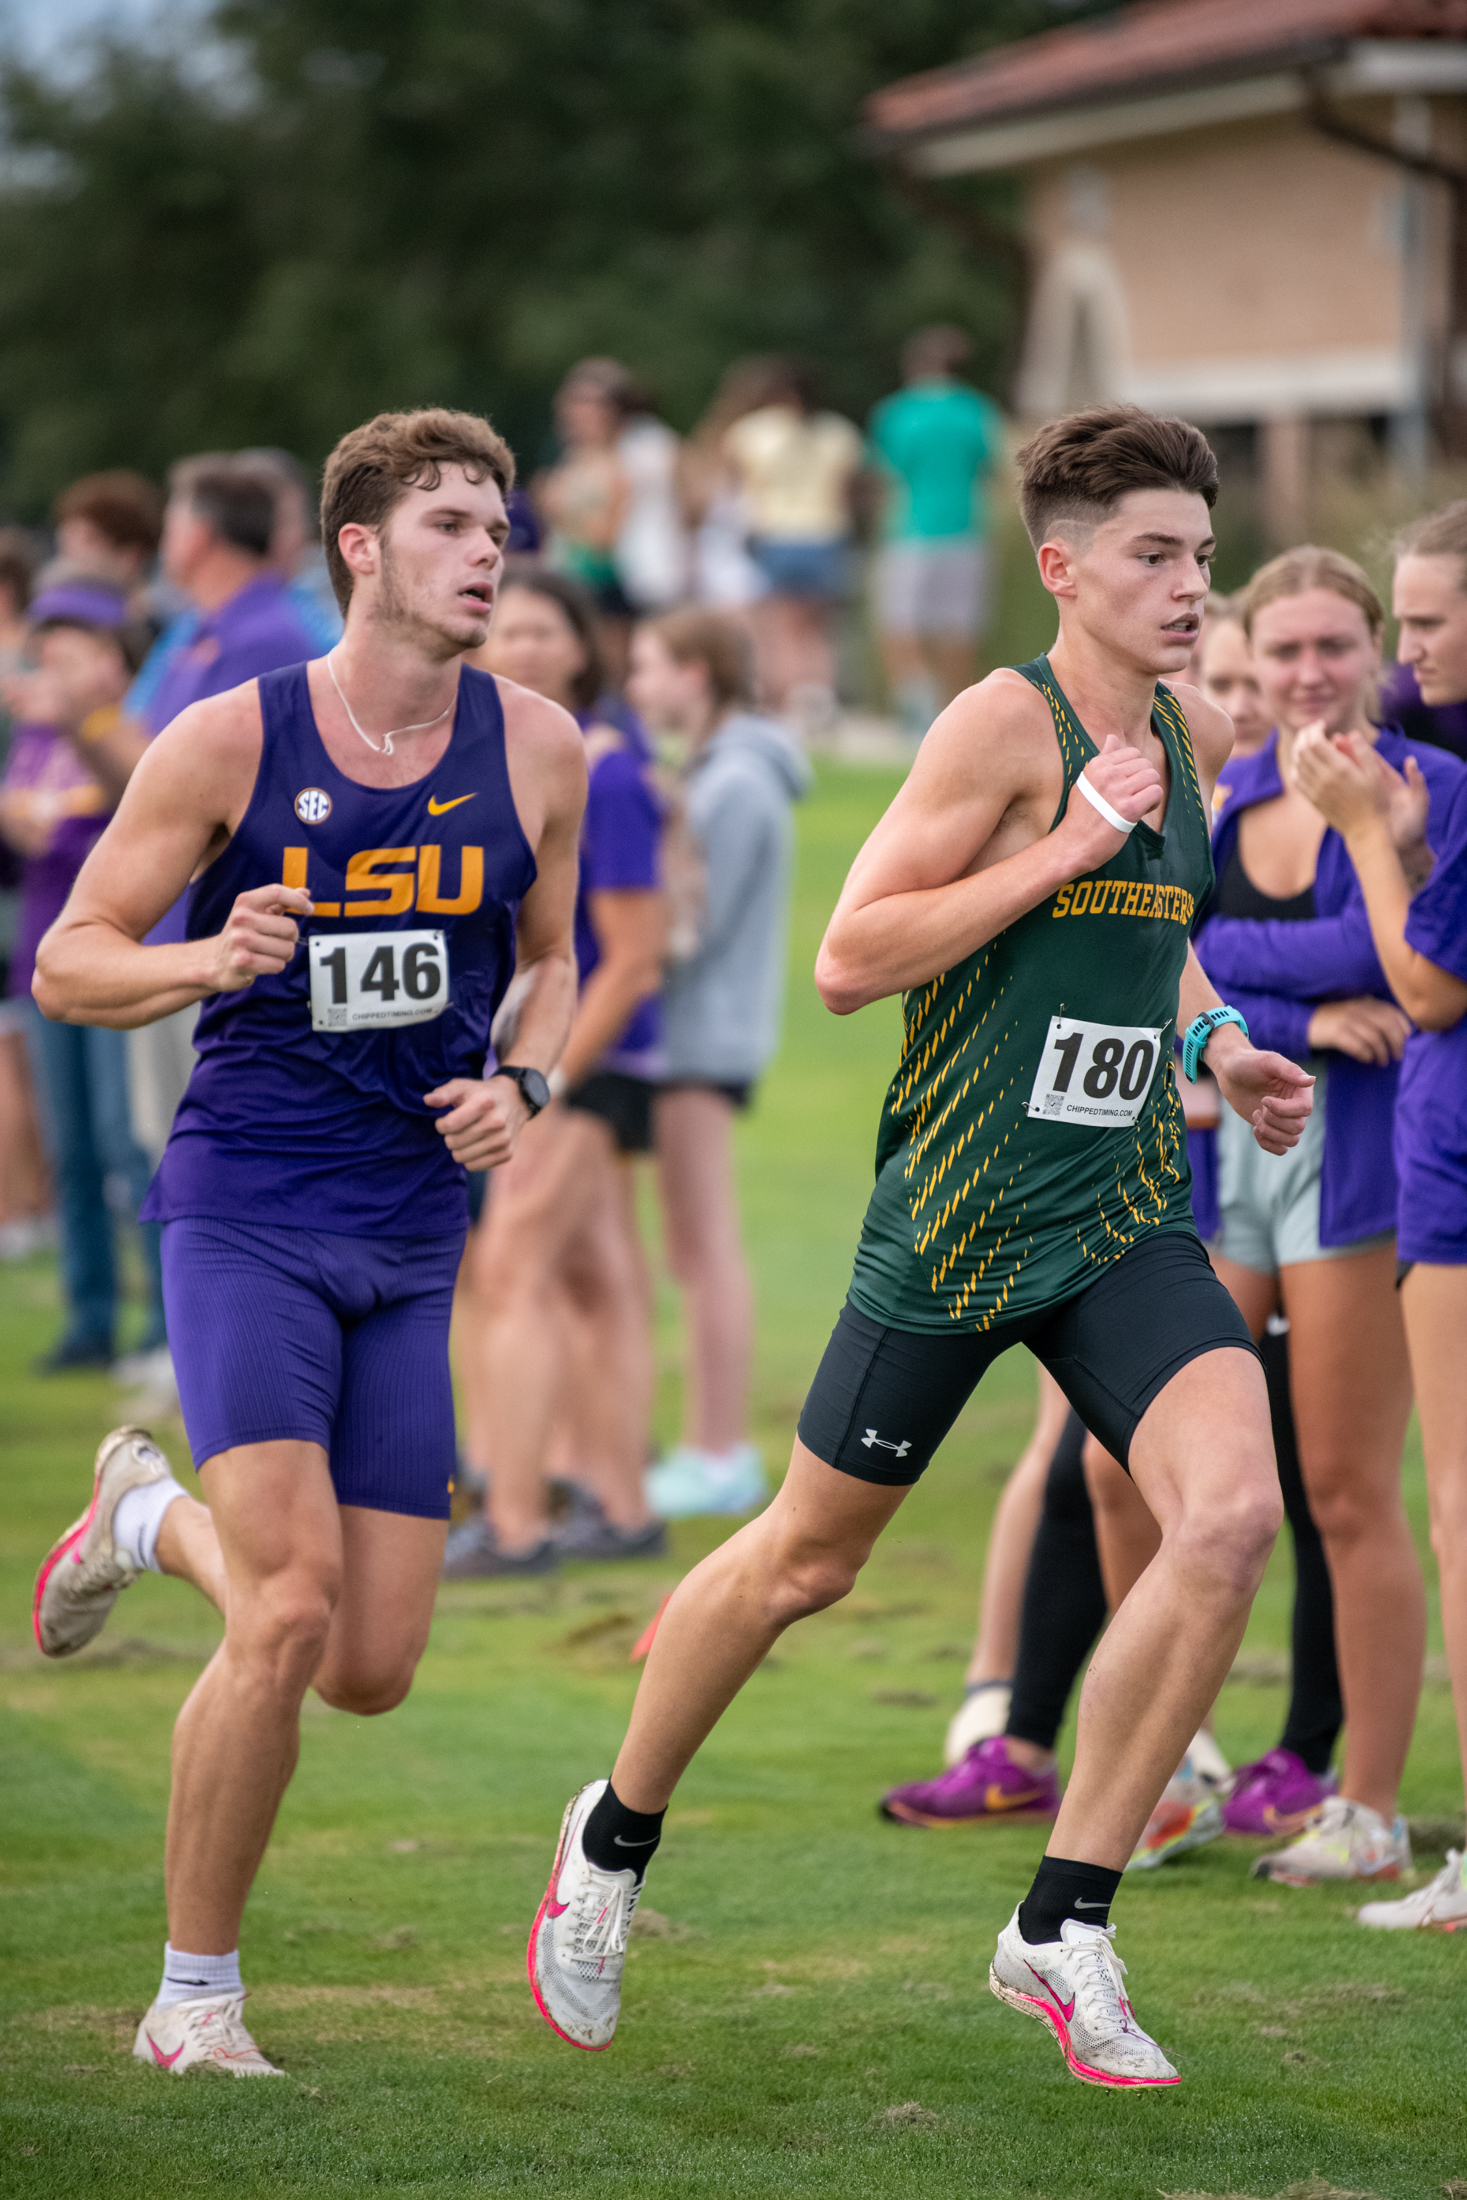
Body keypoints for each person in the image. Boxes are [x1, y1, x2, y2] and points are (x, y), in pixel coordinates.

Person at [528, 403, 1313, 2089]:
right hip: (956, 1226)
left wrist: (1214, 1046)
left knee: (1232, 1510)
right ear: (1060, 569)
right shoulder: (998, 728)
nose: (1191, 587)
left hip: (1113, 1216)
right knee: (806, 1564)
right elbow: (851, 952)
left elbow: (1149, 950)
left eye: (1199, 554)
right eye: (1154, 557)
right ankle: (609, 1836)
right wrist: (1061, 849)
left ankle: (1063, 1921)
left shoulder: (1177, 732)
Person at [29, 406, 585, 2078]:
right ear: (361, 546)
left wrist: (527, 1080)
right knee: (281, 1617)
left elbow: (551, 959)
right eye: (450, 526)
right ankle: (194, 1999)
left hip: (413, 1230)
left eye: (499, 525)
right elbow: (70, 959)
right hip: (249, 1208)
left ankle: (143, 1513)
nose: (487, 552)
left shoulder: (542, 745)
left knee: (368, 1665)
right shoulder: (228, 739)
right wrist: (209, 962)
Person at [1193, 545, 1465, 1886]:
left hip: (1354, 1171)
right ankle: (1177, 1759)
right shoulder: (1227, 789)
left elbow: (1395, 959)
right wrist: (1298, 1013)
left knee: (1346, 1489)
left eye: (1331, 648)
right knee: (1130, 1466)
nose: (1303, 675)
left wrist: (1252, 973)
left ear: (1376, 656)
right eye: (1278, 651)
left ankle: (1363, 1807)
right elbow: (1165, 947)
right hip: (1225, 1157)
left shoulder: (1419, 790)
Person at [1291, 500, 1467, 1929]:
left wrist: (1363, 835)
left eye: (1420, 626)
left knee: (1454, 1510)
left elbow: (1420, 989)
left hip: (1445, 1170)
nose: (1401, 659)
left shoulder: (1442, 775)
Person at [444, 566, 666, 1575]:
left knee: (510, 1268)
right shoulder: (512, 759)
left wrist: (549, 1079)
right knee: (592, 1276)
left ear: (583, 647)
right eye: (509, 629)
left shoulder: (605, 770)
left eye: (546, 629)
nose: (525, 645)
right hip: (542, 1055)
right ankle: (621, 1506)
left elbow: (633, 954)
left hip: (590, 1058)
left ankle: (518, 1518)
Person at [60, 457, 323, 1213]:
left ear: (200, 533)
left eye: (173, 519)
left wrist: (92, 715)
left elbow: (185, 792)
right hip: (172, 924)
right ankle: (179, 1328)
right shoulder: (191, 631)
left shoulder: (265, 633)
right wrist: (87, 718)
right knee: (161, 1142)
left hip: (225, 932)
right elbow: (144, 773)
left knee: (209, 1154)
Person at [622, 606, 812, 1519]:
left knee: (703, 1248)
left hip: (702, 1040)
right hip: (697, 1037)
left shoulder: (734, 783)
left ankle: (718, 1450)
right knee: (694, 1245)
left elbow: (689, 928)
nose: (634, 688)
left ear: (696, 676)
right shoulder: (716, 771)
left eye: (649, 668)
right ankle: (710, 1446)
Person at [1, 579, 161, 1367]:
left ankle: (159, 1322)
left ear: (113, 659)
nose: (53, 662)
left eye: (73, 648)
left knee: (126, 1139)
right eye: (49, 647)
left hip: (118, 956)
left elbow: (129, 792)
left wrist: (81, 721)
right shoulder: (35, 733)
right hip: (44, 956)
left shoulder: (123, 728)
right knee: (73, 1150)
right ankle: (89, 1317)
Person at [868, 326, 1005, 737]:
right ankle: (954, 713)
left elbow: (887, 473)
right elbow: (989, 470)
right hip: (965, 529)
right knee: (959, 627)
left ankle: (915, 702)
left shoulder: (897, 412)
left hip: (910, 529)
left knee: (898, 623)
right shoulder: (977, 411)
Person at [722, 360, 865, 727]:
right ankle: (818, 697)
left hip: (777, 533)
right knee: (818, 626)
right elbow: (848, 490)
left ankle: (784, 700)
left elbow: (738, 486)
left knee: (779, 626)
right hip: (824, 533)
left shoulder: (753, 431)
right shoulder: (836, 433)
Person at [538, 361, 635, 683]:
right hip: (567, 575)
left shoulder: (616, 466)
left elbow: (605, 537)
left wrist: (559, 510)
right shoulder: (571, 460)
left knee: (606, 669)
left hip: (599, 580)